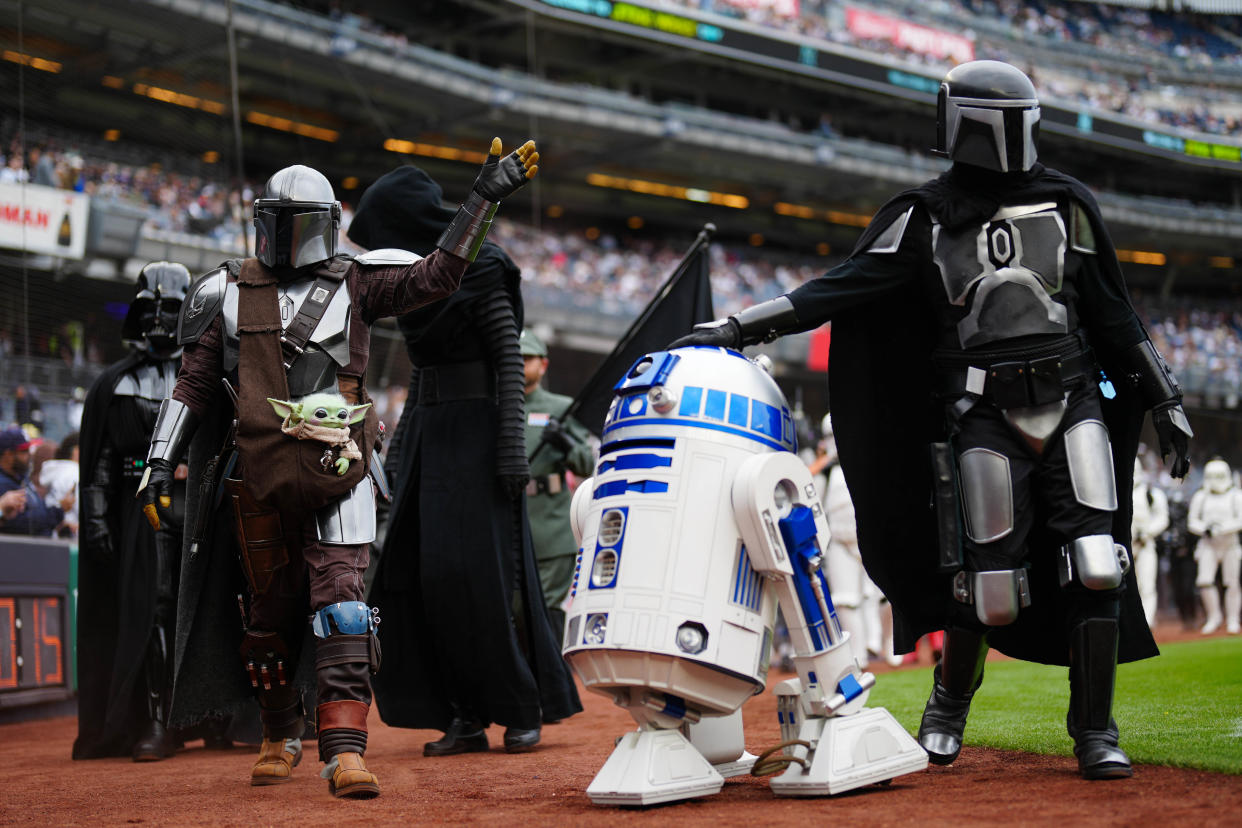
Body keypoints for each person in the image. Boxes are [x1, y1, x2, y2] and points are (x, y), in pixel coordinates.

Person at [672, 60, 1192, 780]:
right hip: (981, 410)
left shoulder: (1067, 205)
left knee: (1098, 567)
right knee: (990, 585)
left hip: (1074, 403)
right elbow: (842, 290)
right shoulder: (923, 215)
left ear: (965, 123)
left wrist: (1163, 395)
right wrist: (740, 326)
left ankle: (1095, 730)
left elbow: (1112, 311)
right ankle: (948, 706)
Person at [138, 139, 539, 798]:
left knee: (345, 607)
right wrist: (159, 461)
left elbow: (437, 276)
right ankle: (276, 732)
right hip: (256, 471)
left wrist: (481, 200)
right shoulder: (225, 290)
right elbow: (193, 385)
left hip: (338, 464)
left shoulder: (358, 280)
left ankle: (345, 749)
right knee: (267, 616)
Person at [345, 164, 581, 759]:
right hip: (431, 436)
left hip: (481, 436)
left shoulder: (486, 264)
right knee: (431, 582)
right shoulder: (413, 280)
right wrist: (398, 457)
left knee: (487, 583)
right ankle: (464, 715)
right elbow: (422, 373)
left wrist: (508, 451)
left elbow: (507, 362)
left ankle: (521, 708)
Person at [73, 263, 207, 763]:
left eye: (168, 309)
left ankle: (208, 715)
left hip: (196, 510)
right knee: (152, 608)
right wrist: (96, 518)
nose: (156, 320)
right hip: (138, 512)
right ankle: (155, 721)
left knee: (197, 609)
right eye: (147, 309)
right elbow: (102, 461)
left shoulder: (208, 376)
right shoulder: (115, 384)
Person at [519, 328, 595, 637]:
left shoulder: (561, 408)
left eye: (527, 359)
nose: (520, 364)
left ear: (543, 365)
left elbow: (587, 464)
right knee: (510, 614)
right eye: (515, 358)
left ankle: (547, 682)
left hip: (549, 528)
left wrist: (565, 443)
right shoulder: (494, 406)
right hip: (505, 521)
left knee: (542, 615)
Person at [810, 413, 883, 667]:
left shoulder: (869, 464)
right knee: (845, 599)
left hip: (870, 537)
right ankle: (858, 653)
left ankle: (881, 642)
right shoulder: (825, 471)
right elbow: (812, 504)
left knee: (880, 593)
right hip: (839, 541)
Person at [1186, 458, 1242, 635]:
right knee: (1204, 580)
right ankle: (1214, 617)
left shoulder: (1235, 496)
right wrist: (1205, 529)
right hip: (1208, 545)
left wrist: (1222, 529)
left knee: (1232, 582)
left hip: (1230, 544)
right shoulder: (1201, 497)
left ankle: (1233, 619)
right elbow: (1192, 521)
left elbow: (1240, 519)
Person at [0, 426, 68, 536]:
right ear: (8, 454)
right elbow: (22, 525)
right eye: (24, 451)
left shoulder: (22, 478)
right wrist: (58, 511)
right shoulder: (3, 483)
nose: (30, 455)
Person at [1130, 457, 1169, 628]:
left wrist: (1148, 532)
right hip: (1123, 546)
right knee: (1125, 587)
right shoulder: (1115, 491)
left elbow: (1162, 518)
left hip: (1146, 544)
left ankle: (1146, 622)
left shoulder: (1152, 493)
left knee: (1147, 585)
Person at [40, 432, 80, 539]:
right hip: (70, 537)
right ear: (75, 450)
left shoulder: (54, 470)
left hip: (51, 535)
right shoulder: (74, 473)